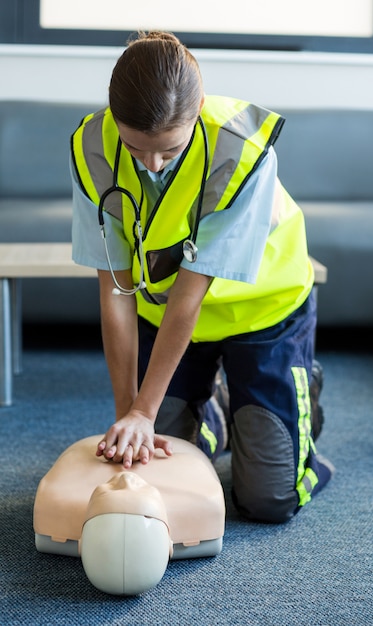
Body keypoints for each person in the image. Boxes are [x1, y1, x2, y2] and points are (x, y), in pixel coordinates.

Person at [71, 30, 333, 524]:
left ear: (196, 114)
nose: (151, 165)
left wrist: (144, 414)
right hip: (163, 314)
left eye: (169, 151)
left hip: (263, 313)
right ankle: (216, 409)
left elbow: (190, 298)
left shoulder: (242, 152)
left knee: (268, 500)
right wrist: (129, 414)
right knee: (159, 462)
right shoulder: (93, 146)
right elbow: (115, 292)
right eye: (136, 148)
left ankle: (298, 396)